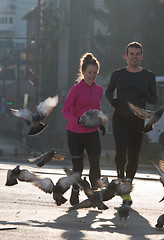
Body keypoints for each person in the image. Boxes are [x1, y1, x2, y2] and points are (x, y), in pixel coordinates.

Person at [105, 42, 158, 206]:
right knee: (120, 150)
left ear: (141, 57)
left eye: (137, 54)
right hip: (120, 118)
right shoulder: (118, 74)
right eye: (131, 54)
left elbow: (154, 99)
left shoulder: (148, 76)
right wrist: (112, 101)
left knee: (134, 155)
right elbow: (108, 91)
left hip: (137, 120)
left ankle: (126, 188)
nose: (134, 57)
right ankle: (120, 178)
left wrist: (144, 95)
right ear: (126, 56)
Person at [62, 52, 103, 206]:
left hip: (92, 132)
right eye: (89, 72)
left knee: (95, 163)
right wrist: (77, 120)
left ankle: (95, 194)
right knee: (78, 167)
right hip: (75, 133)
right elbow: (64, 111)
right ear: (83, 72)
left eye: (95, 73)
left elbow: (97, 108)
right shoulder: (76, 90)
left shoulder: (99, 90)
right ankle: (75, 190)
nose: (92, 76)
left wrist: (101, 122)